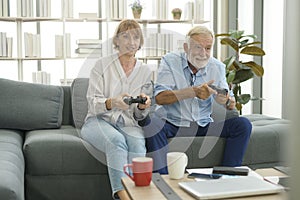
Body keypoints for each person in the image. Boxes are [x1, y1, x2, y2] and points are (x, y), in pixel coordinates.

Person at [144, 26, 252, 174]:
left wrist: (226, 101)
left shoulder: (217, 67)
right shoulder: (170, 61)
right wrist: (193, 92)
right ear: (186, 47)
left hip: (203, 125)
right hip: (173, 124)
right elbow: (160, 97)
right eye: (198, 47)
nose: (203, 54)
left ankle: (228, 175)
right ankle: (163, 181)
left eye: (208, 48)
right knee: (153, 124)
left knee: (242, 125)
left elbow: (229, 101)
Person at [80, 19, 152, 200]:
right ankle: (123, 196)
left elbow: (138, 115)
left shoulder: (145, 71)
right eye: (125, 36)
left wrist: (143, 107)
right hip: (98, 121)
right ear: (117, 41)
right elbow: (93, 103)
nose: (131, 41)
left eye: (136, 37)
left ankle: (139, 193)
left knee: (137, 142)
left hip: (128, 122)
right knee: (115, 140)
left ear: (140, 42)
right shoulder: (101, 66)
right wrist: (113, 102)